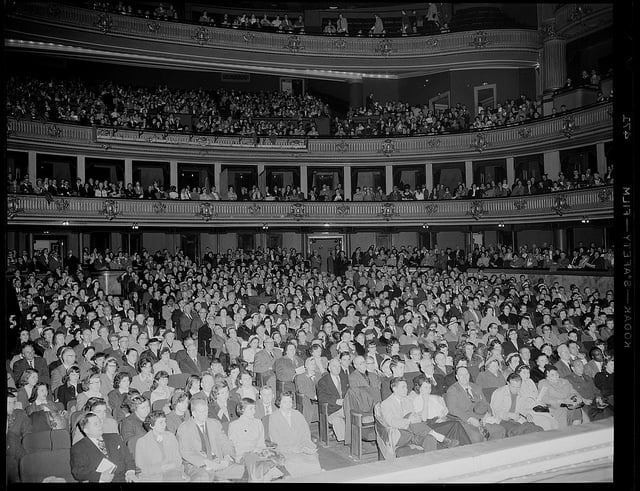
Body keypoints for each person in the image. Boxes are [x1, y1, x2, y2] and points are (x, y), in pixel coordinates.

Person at [380, 377, 459, 454]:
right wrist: (409, 420)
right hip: (400, 435)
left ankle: (431, 463)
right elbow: (392, 422)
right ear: (394, 388)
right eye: (403, 387)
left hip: (414, 433)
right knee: (410, 417)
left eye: (406, 387)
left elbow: (415, 418)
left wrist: (417, 417)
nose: (406, 390)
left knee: (430, 438)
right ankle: (441, 438)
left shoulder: (408, 400)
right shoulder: (386, 404)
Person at [175, 397, 244, 481]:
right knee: (204, 477)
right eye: (201, 412)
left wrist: (227, 456)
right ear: (194, 413)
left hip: (218, 461)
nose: (205, 414)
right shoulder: (184, 428)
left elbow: (226, 442)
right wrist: (207, 463)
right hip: (197, 465)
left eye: (206, 411)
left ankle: (220, 477)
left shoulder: (215, 423)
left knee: (242, 470)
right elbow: (186, 452)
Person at [70, 412, 138, 482]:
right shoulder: (78, 448)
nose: (100, 425)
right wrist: (100, 476)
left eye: (99, 422)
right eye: (96, 424)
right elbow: (78, 472)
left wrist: (130, 472)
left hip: (124, 479)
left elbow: (128, 457)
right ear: (86, 430)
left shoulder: (114, 437)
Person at [445, 366, 506, 443]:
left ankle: (491, 452)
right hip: (465, 421)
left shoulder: (476, 387)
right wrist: (469, 419)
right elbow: (452, 409)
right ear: (457, 377)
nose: (464, 377)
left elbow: (485, 403)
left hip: (482, 419)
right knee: (477, 438)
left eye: (466, 374)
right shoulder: (453, 390)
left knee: (500, 430)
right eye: (461, 375)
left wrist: (488, 413)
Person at [228, 398, 284, 481]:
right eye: (250, 409)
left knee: (275, 458)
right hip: (244, 455)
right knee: (263, 469)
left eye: (254, 408)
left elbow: (261, 443)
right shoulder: (234, 425)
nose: (254, 411)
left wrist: (262, 450)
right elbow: (236, 447)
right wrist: (253, 450)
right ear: (242, 409)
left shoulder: (258, 423)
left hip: (259, 453)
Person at [268, 391, 322, 477]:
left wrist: (304, 445)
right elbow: (275, 439)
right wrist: (292, 449)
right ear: (279, 403)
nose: (288, 404)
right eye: (285, 402)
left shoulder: (297, 414)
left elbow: (305, 433)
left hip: (301, 447)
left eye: (290, 401)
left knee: (312, 461)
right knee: (298, 463)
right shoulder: (274, 417)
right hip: (286, 450)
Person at [135, 410, 188, 481]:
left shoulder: (170, 436)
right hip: (152, 475)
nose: (164, 425)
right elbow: (141, 467)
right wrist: (161, 468)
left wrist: (173, 466)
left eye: (165, 421)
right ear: (152, 425)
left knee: (175, 476)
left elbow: (178, 459)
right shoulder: (142, 442)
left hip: (172, 472)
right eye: (161, 422)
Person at [316, 357, 348, 442]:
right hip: (331, 410)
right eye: (334, 366)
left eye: (339, 366)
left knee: (353, 414)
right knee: (339, 420)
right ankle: (348, 439)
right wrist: (336, 401)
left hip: (345, 408)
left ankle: (356, 437)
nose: (337, 369)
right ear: (329, 368)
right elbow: (321, 397)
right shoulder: (323, 381)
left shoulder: (344, 378)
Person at [7, 388, 32, 483]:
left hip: (17, 453)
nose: (12, 406)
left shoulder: (20, 415)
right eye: (9, 403)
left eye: (13, 402)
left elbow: (28, 435)